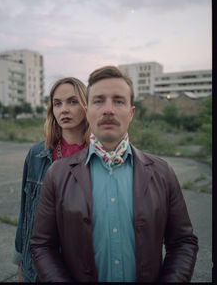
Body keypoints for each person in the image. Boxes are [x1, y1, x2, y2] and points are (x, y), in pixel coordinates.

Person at [30, 66, 198, 282]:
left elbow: (183, 242)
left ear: (131, 113)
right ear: (88, 110)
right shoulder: (58, 174)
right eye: (99, 101)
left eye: (118, 101)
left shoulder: (162, 171)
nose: (108, 109)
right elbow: (42, 245)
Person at [12, 77, 90, 282]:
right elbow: (26, 211)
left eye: (72, 102)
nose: (64, 109)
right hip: (36, 267)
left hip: (81, 267)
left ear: (86, 105)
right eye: (58, 103)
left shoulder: (98, 155)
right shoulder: (38, 154)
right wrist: (20, 260)